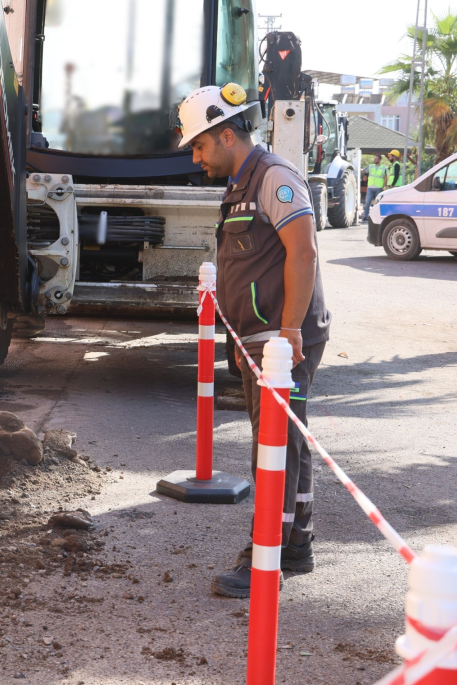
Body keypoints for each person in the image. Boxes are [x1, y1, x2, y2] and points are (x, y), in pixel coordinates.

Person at [175, 84, 331, 599]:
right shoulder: (241, 183)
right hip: (261, 337)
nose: (195, 157)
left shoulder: (275, 177)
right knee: (288, 438)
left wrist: (287, 334)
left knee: (274, 446)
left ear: (226, 135)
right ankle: (298, 544)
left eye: (199, 146)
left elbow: (302, 252)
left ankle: (266, 555)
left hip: (280, 338)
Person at [363, 154, 390, 221]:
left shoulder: (384, 168)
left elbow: (385, 177)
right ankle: (365, 217)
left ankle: (378, 217)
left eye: (376, 159)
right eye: (374, 159)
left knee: (378, 203)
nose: (374, 160)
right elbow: (364, 171)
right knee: (367, 203)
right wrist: (364, 175)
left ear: (379, 160)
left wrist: (385, 186)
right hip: (370, 187)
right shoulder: (371, 166)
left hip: (379, 187)